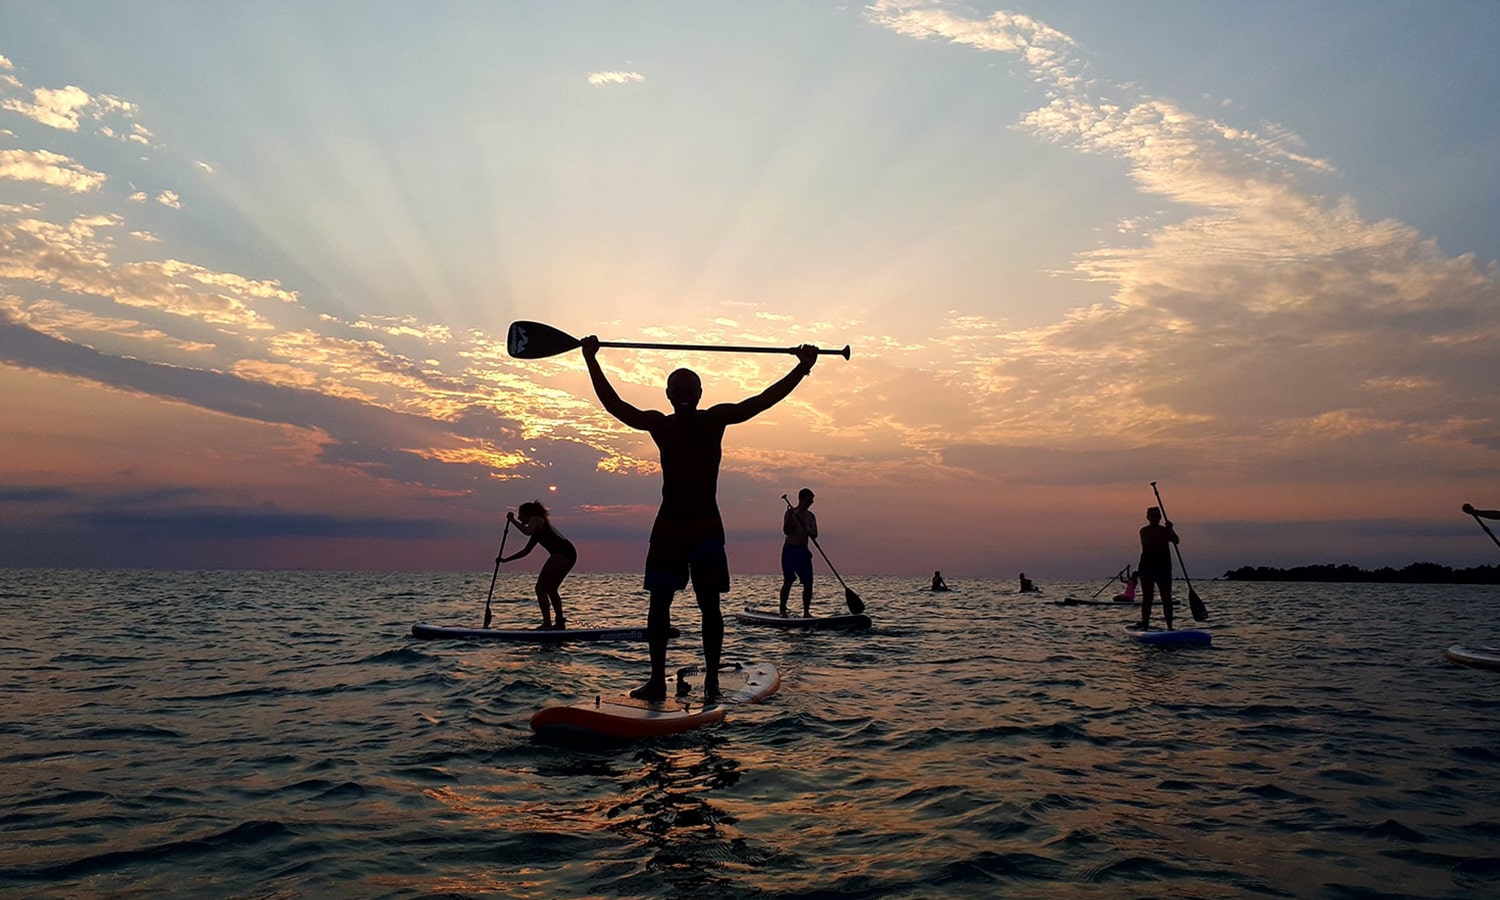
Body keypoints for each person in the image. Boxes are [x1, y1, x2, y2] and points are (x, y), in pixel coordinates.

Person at [581, 335, 820, 702]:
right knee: (659, 604)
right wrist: (591, 360)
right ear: (668, 395)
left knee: (710, 605)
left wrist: (801, 368)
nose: (684, 394)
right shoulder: (661, 424)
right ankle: (658, 681)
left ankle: (710, 682)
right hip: (670, 527)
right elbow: (615, 406)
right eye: (678, 389)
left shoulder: (714, 420)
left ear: (700, 392)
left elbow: (761, 402)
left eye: (690, 389)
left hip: (705, 526)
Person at [499, 501, 577, 629]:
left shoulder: (537, 519)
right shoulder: (537, 531)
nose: (519, 518)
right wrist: (505, 560)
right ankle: (560, 623)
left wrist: (512, 520)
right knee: (551, 589)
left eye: (521, 515)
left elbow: (526, 531)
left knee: (540, 588)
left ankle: (547, 624)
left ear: (528, 514)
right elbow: (525, 552)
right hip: (568, 554)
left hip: (562, 553)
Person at [1135, 507, 1179, 630]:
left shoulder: (1166, 531)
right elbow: (1149, 543)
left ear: (1160, 517)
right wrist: (1167, 533)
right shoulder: (1144, 531)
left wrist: (1171, 529)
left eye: (1157, 515)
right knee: (1148, 597)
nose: (1155, 518)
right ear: (1148, 517)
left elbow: (1176, 541)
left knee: (1167, 598)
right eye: (1152, 516)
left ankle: (1170, 626)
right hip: (1147, 568)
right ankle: (1145, 623)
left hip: (1164, 568)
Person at [780, 488, 818, 617]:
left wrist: (809, 530)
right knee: (789, 580)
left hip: (803, 551)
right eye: (808, 500)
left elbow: (815, 534)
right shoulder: (790, 513)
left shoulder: (811, 516)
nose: (811, 502)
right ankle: (783, 610)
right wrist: (791, 521)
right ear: (801, 499)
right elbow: (786, 531)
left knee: (808, 583)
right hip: (790, 550)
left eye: (812, 500)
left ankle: (806, 612)